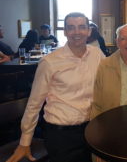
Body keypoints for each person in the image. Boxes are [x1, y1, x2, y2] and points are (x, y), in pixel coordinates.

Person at [7, 12, 105, 162]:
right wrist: (25, 142)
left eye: (81, 27)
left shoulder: (97, 54)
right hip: (61, 134)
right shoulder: (50, 62)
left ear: (89, 31)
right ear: (65, 32)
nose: (77, 32)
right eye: (71, 28)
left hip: (90, 130)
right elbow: (34, 103)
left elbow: (109, 78)